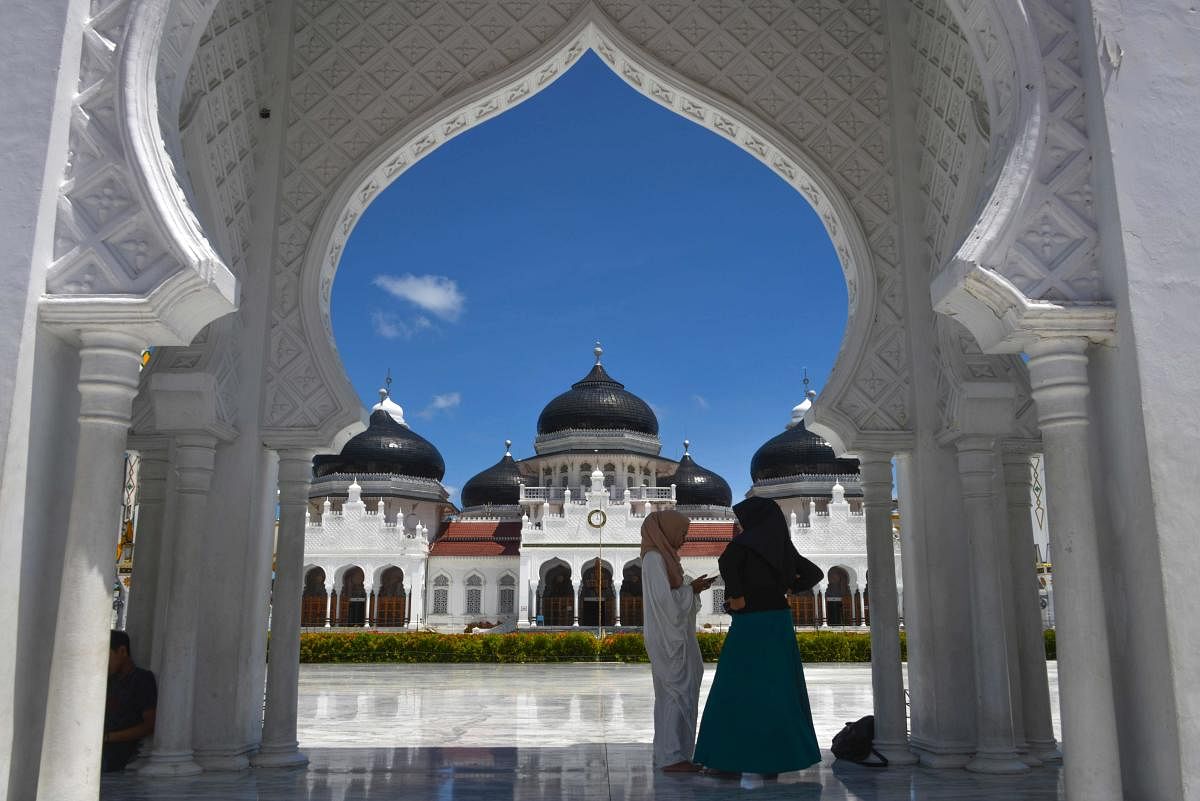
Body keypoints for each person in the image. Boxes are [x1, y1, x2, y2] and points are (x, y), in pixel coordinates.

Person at [693, 496, 824, 784]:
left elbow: (731, 580)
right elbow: (815, 573)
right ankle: (773, 761)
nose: (740, 526)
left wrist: (736, 597)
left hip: (751, 624)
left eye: (743, 521)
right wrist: (789, 586)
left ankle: (726, 761)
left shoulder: (738, 548)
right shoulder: (782, 548)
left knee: (736, 688)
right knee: (778, 688)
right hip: (778, 622)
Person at [640, 509, 714, 772]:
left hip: (675, 635)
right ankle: (672, 756)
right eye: (681, 533)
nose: (683, 539)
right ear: (666, 531)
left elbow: (672, 598)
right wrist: (690, 590)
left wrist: (691, 591)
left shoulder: (666, 558)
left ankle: (674, 753)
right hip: (667, 638)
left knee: (677, 693)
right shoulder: (653, 558)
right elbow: (663, 602)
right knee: (673, 694)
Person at [102, 630, 157, 772]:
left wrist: (108, 737)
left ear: (122, 651)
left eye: (106, 655)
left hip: (119, 753)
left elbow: (150, 725)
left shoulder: (141, 679)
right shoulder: (107, 680)